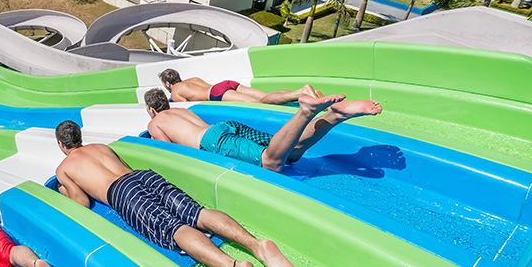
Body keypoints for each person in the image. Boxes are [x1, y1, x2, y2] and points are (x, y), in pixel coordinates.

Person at [54, 120, 304, 267]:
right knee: (197, 213)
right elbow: (125, 168)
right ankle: (257, 246)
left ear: (62, 145)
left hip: (122, 193)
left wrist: (65, 191)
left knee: (174, 229)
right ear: (80, 137)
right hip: (144, 177)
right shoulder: (101, 147)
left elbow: (81, 202)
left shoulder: (64, 167)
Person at [144, 88, 382, 172]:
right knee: (290, 152)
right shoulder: (183, 111)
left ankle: (306, 111)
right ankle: (335, 115)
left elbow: (168, 150)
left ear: (150, 109)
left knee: (271, 162)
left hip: (213, 140)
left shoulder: (155, 123)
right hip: (224, 127)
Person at [158, 68, 316, 104]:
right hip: (225, 84)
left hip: (217, 93)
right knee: (264, 96)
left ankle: (301, 92)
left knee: (260, 103)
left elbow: (187, 108)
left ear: (167, 83)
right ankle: (301, 93)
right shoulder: (192, 79)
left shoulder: (176, 91)